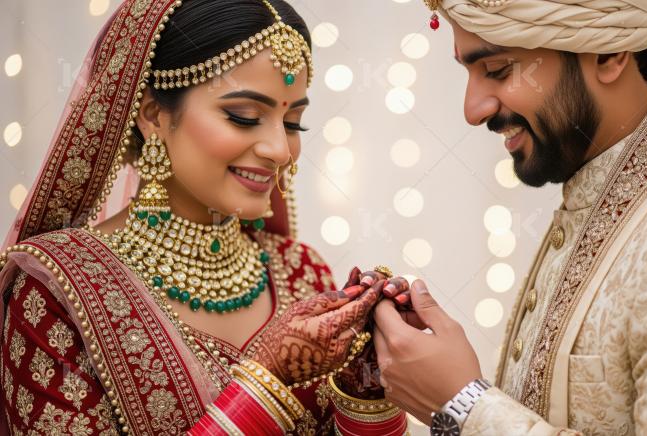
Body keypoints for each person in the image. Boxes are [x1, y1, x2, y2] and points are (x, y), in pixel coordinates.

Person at [374, 0, 647, 434]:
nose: (473, 109)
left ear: (610, 53)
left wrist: (464, 405)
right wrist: (384, 393)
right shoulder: (611, 196)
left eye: (500, 70)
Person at [0, 0, 409, 434]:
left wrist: (365, 389)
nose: (280, 150)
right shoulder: (59, 288)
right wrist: (266, 382)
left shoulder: (300, 271)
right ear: (154, 116)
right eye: (244, 117)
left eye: (292, 123)